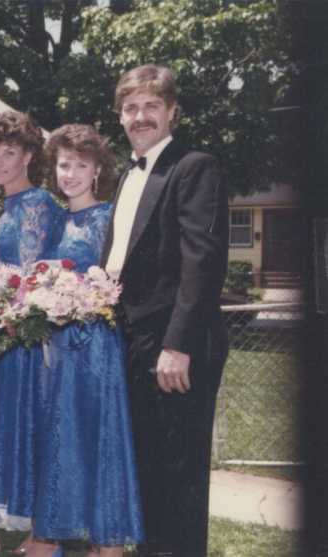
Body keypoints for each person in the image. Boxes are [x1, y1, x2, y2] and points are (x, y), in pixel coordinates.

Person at [102, 64, 229, 557]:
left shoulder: (194, 166)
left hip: (175, 344)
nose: (140, 116)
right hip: (134, 340)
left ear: (172, 111)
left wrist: (176, 346)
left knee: (180, 473)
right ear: (120, 117)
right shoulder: (126, 175)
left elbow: (203, 261)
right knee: (148, 466)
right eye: (131, 108)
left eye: (152, 106)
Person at [20, 124, 144, 557]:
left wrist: (83, 296)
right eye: (63, 164)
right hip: (55, 347)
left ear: (97, 171)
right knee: (58, 435)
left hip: (94, 346)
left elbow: (120, 280)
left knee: (95, 433)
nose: (70, 173)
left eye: (80, 165)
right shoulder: (54, 219)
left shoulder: (109, 216)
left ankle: (106, 540)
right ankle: (52, 532)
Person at [0, 111, 65, 553]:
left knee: (38, 426)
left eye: (10, 153)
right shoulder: (7, 206)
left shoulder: (35, 203)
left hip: (31, 338)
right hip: (13, 335)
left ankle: (45, 535)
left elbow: (29, 278)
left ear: (29, 156)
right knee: (24, 426)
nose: (0, 162)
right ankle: (35, 531)